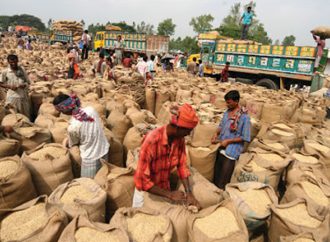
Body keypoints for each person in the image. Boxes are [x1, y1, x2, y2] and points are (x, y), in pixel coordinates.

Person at [133, 103, 201, 210]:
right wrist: (169, 194)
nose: (188, 134)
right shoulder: (152, 141)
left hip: (163, 189)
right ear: (178, 127)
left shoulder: (179, 140)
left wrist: (189, 193)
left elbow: (182, 166)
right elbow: (142, 181)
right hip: (147, 194)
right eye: (187, 130)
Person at [53, 94, 109, 178]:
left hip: (91, 158)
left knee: (90, 184)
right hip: (104, 149)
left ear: (64, 110)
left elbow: (74, 144)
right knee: (103, 177)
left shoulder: (73, 127)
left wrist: (65, 142)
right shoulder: (91, 110)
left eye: (60, 111)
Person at [211, 90, 251, 189]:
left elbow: (245, 137)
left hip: (231, 151)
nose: (227, 104)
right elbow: (221, 125)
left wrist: (229, 141)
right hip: (221, 146)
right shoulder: (227, 112)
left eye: (229, 102)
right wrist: (216, 133)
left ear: (236, 101)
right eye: (226, 102)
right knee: (216, 176)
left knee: (223, 180)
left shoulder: (244, 117)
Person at [0, 54, 31, 119]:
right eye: (11, 62)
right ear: (8, 62)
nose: (13, 64)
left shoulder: (22, 70)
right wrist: (10, 86)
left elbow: (28, 81)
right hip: (12, 97)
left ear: (17, 61)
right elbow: (1, 83)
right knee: (13, 117)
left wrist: (24, 85)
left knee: (25, 117)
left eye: (15, 62)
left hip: (23, 96)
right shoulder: (5, 72)